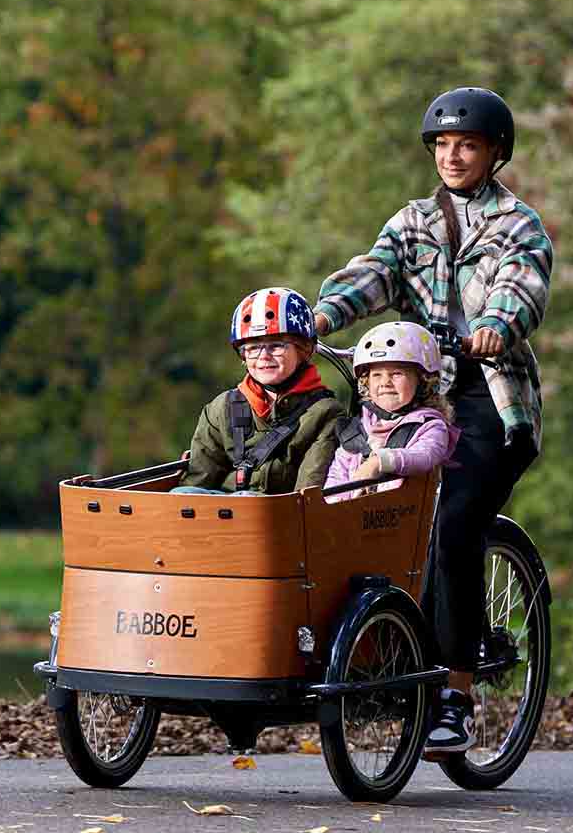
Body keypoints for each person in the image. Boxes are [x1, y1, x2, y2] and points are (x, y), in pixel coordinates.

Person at [312, 86, 552, 758]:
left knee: (452, 521)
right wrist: (320, 316)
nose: (452, 156)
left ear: (495, 153)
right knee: (355, 505)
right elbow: (374, 274)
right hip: (414, 393)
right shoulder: (414, 221)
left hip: (489, 398)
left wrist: (495, 325)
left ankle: (456, 695)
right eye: (443, 145)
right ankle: (375, 656)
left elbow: (522, 286)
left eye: (467, 145)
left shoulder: (518, 226)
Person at [174, 287, 345, 495]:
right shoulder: (222, 407)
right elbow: (198, 480)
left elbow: (306, 496)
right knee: (184, 494)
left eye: (276, 346)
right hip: (222, 509)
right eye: (253, 348)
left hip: (280, 510)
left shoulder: (325, 413)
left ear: (303, 349)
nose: (263, 356)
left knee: (247, 499)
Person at [324, 321, 460, 498]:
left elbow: (424, 456)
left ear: (423, 380)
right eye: (376, 375)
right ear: (366, 382)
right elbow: (337, 474)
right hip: (355, 512)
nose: (385, 382)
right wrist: (335, 504)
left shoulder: (431, 426)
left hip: (404, 511)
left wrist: (379, 462)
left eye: (396, 374)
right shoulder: (358, 429)